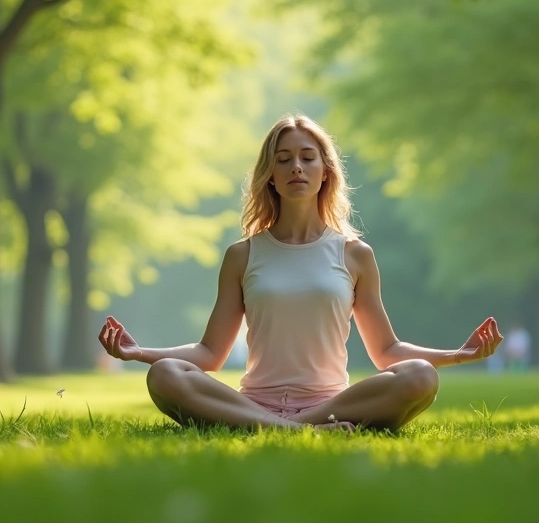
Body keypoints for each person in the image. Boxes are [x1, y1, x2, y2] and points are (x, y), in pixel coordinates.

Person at [98, 114, 504, 432]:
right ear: (270, 175)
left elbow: (386, 352)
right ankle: (293, 429)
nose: (296, 167)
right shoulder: (242, 255)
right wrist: (138, 353)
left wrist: (458, 355)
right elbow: (210, 354)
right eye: (284, 159)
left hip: (331, 404)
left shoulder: (355, 254)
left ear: (325, 170)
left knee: (419, 377)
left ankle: (287, 427)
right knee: (166, 375)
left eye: (307, 158)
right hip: (253, 401)